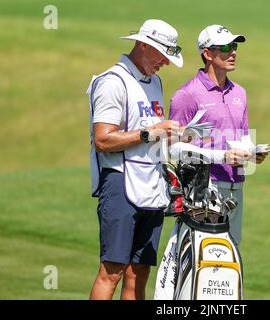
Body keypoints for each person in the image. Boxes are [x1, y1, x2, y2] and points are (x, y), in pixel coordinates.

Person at [87, 19, 183, 300]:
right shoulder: (112, 82)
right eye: (162, 54)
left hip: (152, 185)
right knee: (113, 270)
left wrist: (172, 136)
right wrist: (151, 132)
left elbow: (150, 133)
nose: (165, 62)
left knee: (139, 271)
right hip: (120, 183)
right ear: (143, 45)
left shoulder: (156, 82)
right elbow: (103, 140)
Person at [169, 24, 267, 246]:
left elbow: (242, 138)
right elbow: (173, 149)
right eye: (225, 47)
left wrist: (252, 153)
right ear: (207, 53)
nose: (232, 52)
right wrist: (222, 157)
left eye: (234, 46)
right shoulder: (187, 95)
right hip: (204, 189)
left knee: (231, 260)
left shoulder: (240, 93)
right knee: (205, 260)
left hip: (236, 187)